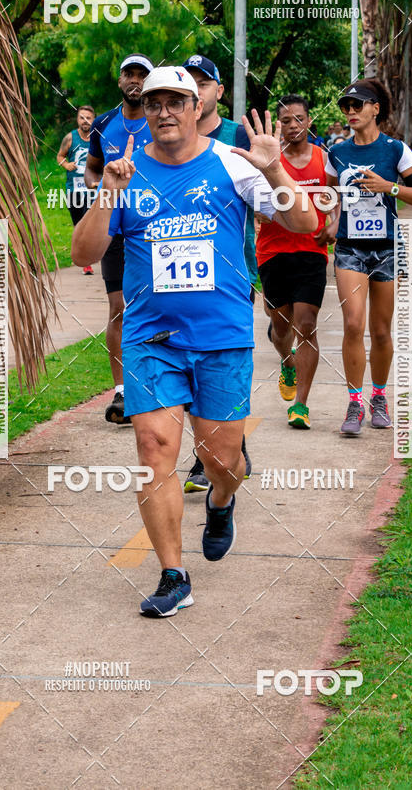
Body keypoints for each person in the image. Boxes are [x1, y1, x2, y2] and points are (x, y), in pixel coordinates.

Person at [72, 66, 318, 617]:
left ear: (196, 106)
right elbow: (83, 254)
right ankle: (172, 575)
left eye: (175, 101)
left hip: (221, 338)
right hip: (150, 338)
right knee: (154, 449)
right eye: (154, 102)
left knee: (221, 459)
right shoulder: (126, 173)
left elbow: (304, 223)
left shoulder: (234, 163)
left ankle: (222, 500)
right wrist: (108, 194)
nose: (163, 111)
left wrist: (274, 167)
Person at [325, 79, 412, 435]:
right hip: (349, 248)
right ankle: (355, 403)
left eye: (358, 105)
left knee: (381, 330)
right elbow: (329, 198)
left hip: (387, 248)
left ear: (376, 108)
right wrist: (328, 217)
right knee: (353, 325)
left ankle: (380, 397)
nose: (351, 111)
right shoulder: (337, 152)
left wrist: (390, 188)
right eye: (346, 106)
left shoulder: (396, 150)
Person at [180, 54, 253, 494]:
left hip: (230, 276)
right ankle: (209, 454)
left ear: (218, 92)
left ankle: (218, 452)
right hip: (174, 285)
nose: (197, 90)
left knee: (220, 369)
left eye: (204, 83)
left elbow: (272, 200)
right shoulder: (166, 137)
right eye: (189, 83)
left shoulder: (238, 136)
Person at [256, 94, 339, 429]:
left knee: (306, 324)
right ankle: (286, 361)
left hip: (311, 250)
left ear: (309, 122)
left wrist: (333, 223)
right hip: (273, 250)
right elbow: (254, 198)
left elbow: (336, 199)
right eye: (286, 121)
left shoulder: (324, 159)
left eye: (299, 119)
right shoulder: (268, 160)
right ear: (279, 124)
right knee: (280, 325)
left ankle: (301, 405)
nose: (293, 126)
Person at [84, 53, 154, 425]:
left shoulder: (160, 119)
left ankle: (152, 382)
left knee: (153, 304)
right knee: (118, 307)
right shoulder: (103, 124)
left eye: (143, 74)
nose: (135, 80)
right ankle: (123, 391)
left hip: (153, 226)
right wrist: (104, 190)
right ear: (120, 80)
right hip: (114, 227)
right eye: (129, 73)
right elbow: (91, 170)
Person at [56, 105, 95, 275]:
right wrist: (66, 164)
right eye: (82, 118)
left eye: (88, 118)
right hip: (74, 190)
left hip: (92, 190)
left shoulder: (98, 138)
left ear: (93, 120)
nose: (85, 121)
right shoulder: (70, 138)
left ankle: (87, 262)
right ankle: (81, 255)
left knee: (88, 224)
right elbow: (60, 156)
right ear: (77, 119)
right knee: (78, 224)